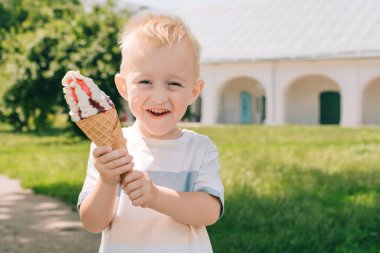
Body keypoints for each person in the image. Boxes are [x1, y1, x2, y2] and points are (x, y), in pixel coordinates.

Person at [77, 11, 224, 253]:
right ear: (124, 87)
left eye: (174, 84)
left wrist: (156, 196)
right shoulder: (108, 150)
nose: (158, 96)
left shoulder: (200, 149)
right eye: (145, 82)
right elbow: (93, 223)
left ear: (194, 92)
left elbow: (209, 212)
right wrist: (106, 181)